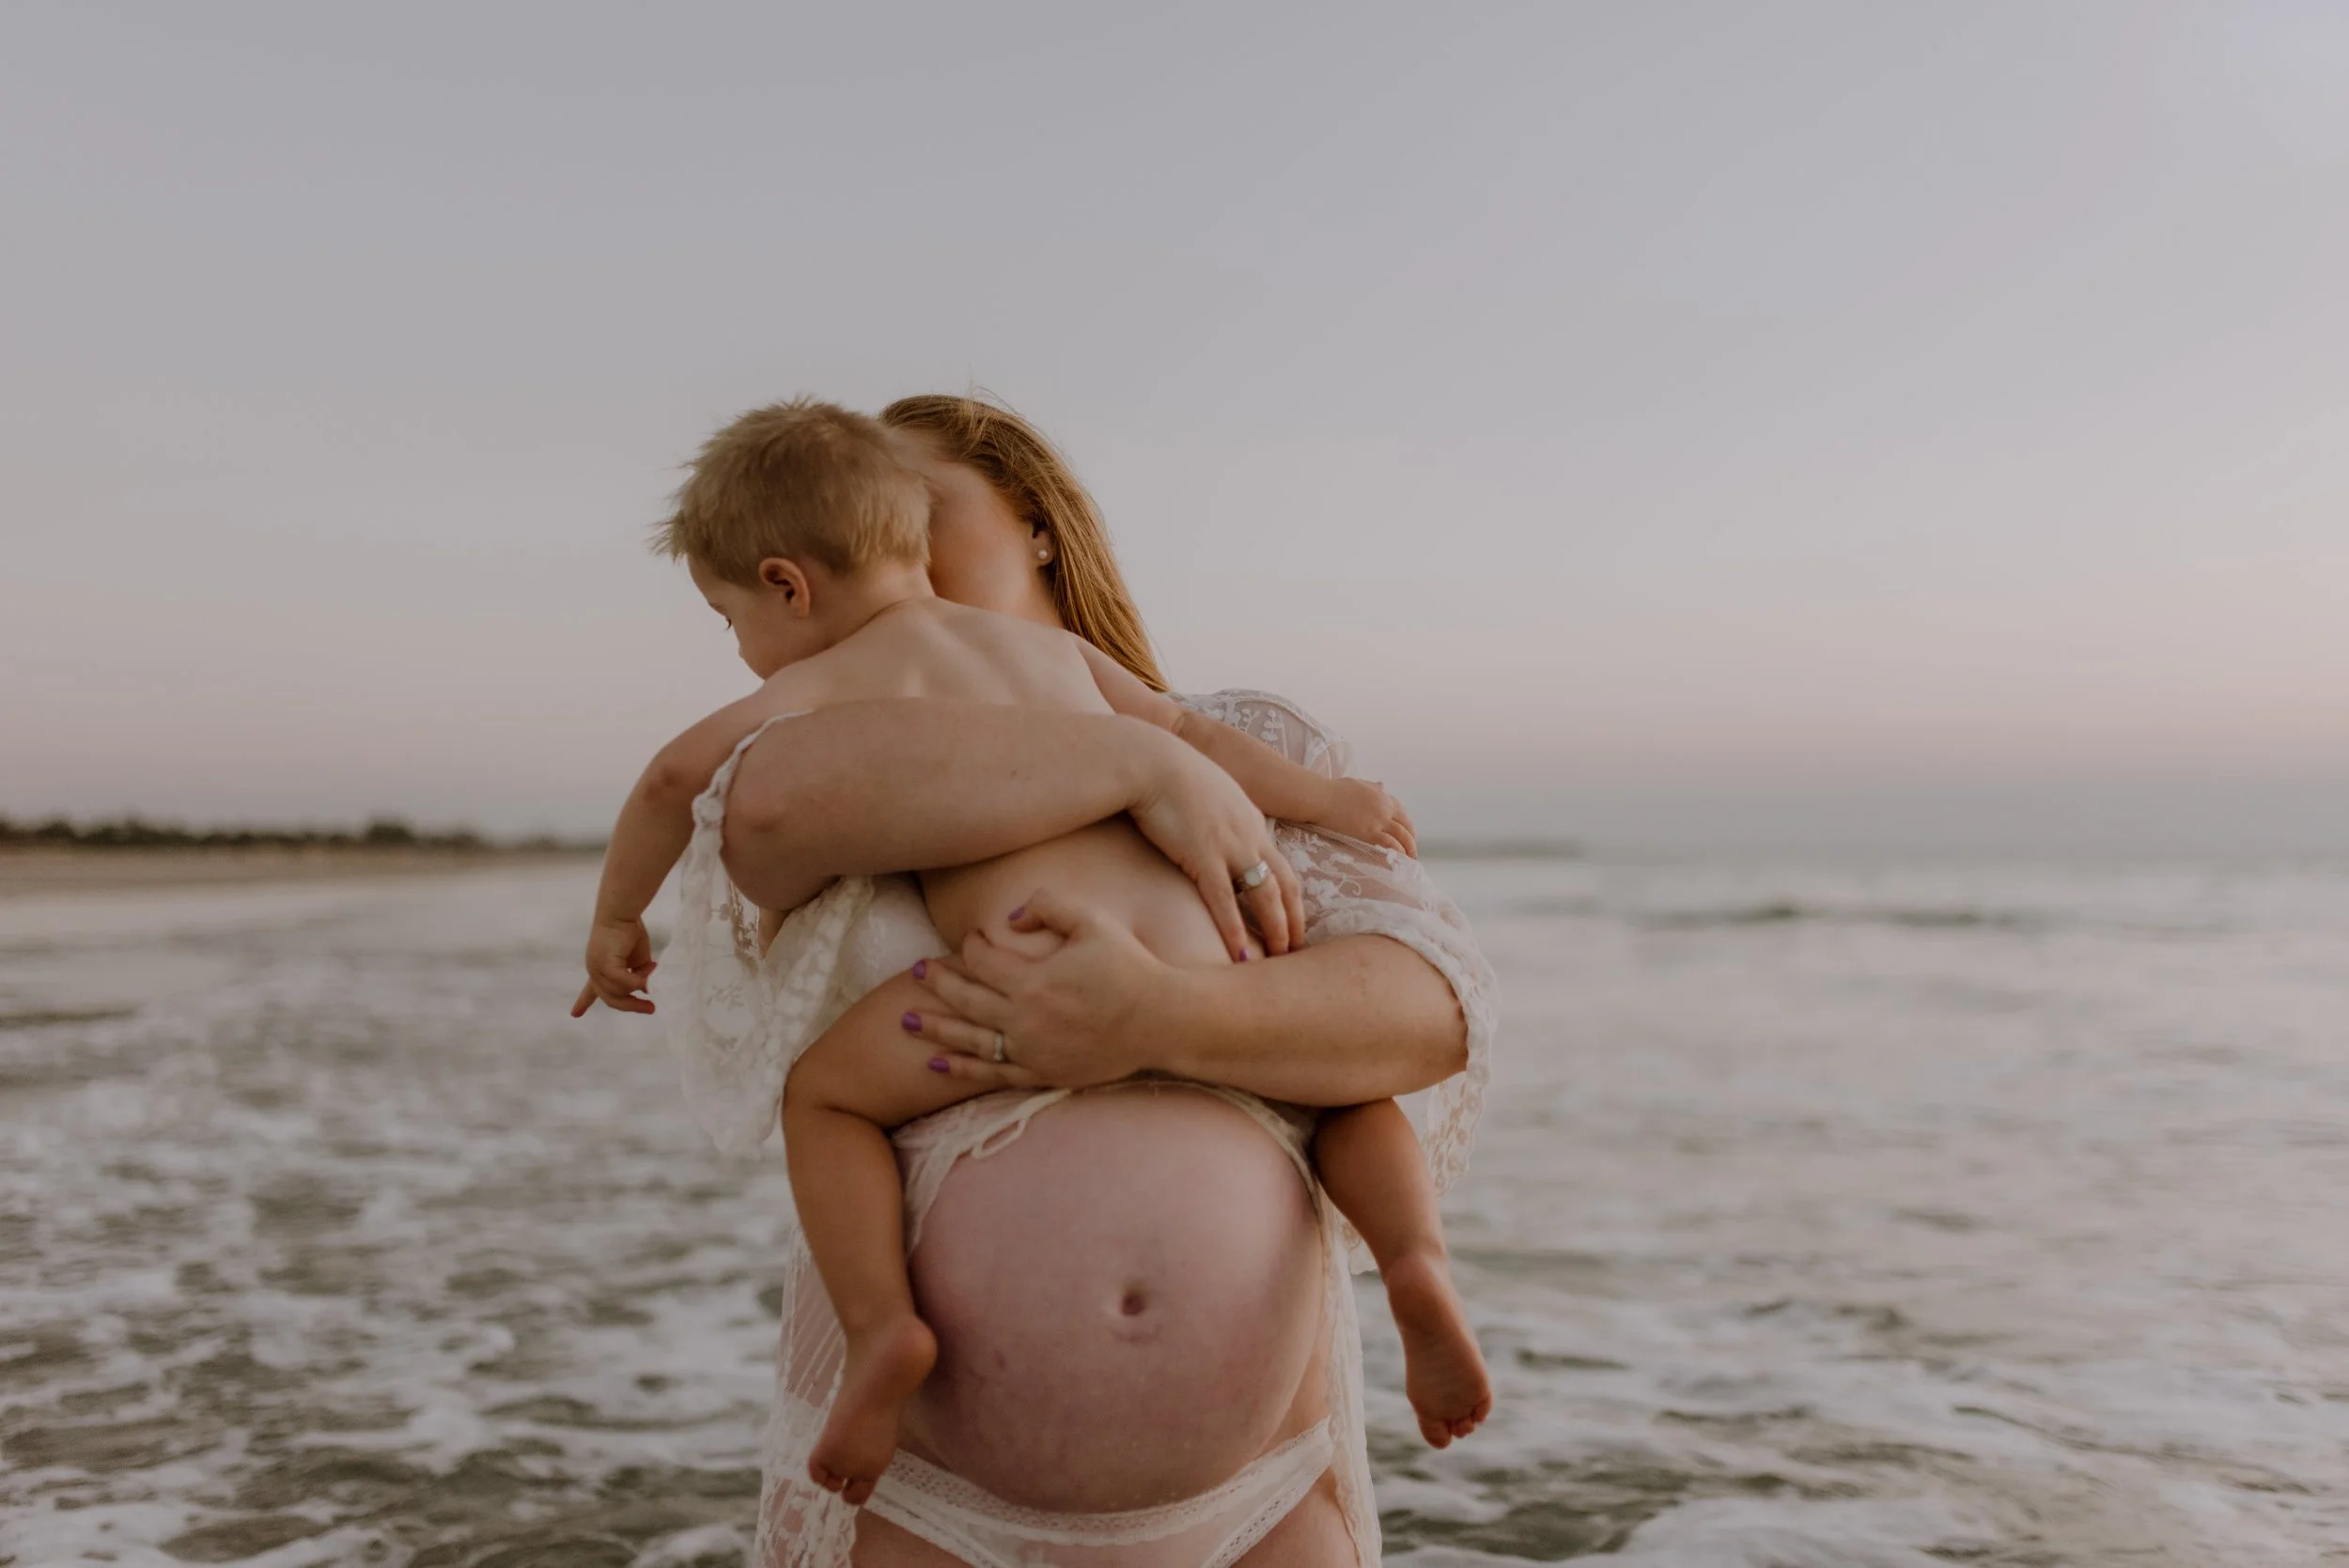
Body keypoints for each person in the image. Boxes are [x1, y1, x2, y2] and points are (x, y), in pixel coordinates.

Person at [574, 399, 1492, 1502]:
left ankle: (884, 1330)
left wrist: (615, 918)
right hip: (1201, 954)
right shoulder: (1016, 683)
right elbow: (1183, 742)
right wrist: (1302, 795)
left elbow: (674, 778)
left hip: (1009, 986)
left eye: (930, 507)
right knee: (1347, 1107)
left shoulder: (840, 680)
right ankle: (1417, 1262)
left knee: (825, 1096)